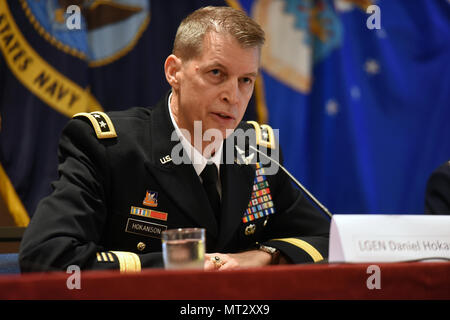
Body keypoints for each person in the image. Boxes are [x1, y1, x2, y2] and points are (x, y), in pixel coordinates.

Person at [19, 6, 330, 273]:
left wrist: (260, 257)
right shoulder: (107, 147)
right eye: (217, 73)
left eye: (245, 80)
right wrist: (177, 266)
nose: (233, 97)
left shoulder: (256, 151)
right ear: (173, 71)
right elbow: (47, 255)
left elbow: (329, 239)